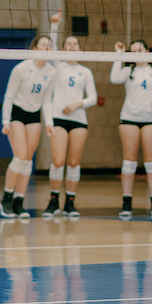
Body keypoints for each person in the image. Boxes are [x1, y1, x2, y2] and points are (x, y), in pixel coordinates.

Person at [111, 39, 152, 221]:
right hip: (129, 118)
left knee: (151, 162)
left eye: (140, 49)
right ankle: (126, 204)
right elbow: (114, 78)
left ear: (147, 50)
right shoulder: (128, 70)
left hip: (150, 120)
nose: (137, 53)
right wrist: (119, 55)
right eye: (133, 51)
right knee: (129, 162)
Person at [0, 23, 57, 219]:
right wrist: (5, 121)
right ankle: (6, 197)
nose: (47, 49)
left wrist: (49, 123)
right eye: (43, 46)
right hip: (17, 113)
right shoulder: (22, 68)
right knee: (20, 156)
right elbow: (8, 96)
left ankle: (19, 201)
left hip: (34, 115)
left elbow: (47, 99)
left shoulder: (51, 71)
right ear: (35, 49)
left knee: (28, 160)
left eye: (49, 46)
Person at [45, 21, 97, 219]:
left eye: (75, 43)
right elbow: (53, 46)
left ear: (80, 48)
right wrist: (55, 26)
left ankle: (70, 203)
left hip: (78, 120)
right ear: (64, 48)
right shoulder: (58, 66)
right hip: (59, 118)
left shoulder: (86, 72)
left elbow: (92, 97)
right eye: (68, 44)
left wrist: (77, 104)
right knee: (58, 161)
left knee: (74, 162)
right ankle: (53, 201)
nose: (72, 46)